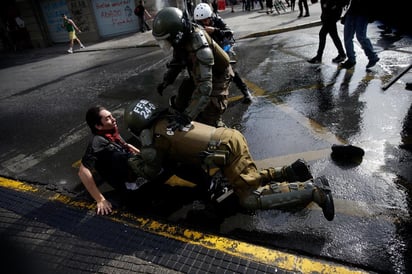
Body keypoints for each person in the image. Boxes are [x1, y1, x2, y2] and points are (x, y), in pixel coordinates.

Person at [123, 99, 336, 221]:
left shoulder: (152, 139)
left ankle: (314, 190)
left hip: (223, 151)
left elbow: (151, 171)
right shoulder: (166, 118)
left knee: (249, 198)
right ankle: (289, 171)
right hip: (226, 139)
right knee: (243, 177)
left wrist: (133, 160)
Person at [153, 7, 233, 127]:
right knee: (182, 96)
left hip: (218, 75)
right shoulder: (181, 39)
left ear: (176, 33)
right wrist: (167, 80)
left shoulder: (198, 42)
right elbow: (177, 62)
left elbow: (205, 86)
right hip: (201, 72)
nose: (165, 44)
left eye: (166, 39)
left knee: (211, 113)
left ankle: (221, 136)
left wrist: (187, 116)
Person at [78, 106, 141, 215]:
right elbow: (82, 172)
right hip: (121, 178)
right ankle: (130, 185)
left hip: (128, 167)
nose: (113, 119)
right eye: (108, 118)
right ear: (98, 126)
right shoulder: (97, 142)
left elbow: (125, 146)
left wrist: (140, 155)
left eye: (111, 116)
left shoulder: (110, 131)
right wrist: (100, 199)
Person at [193, 3, 253, 104]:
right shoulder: (196, 25)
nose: (205, 23)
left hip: (222, 46)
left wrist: (215, 31)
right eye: (202, 21)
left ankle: (245, 91)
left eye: (206, 20)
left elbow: (229, 33)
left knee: (229, 69)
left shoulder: (217, 20)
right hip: (206, 49)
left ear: (211, 17)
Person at [340, 0, 380, 69]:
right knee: (347, 37)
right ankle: (351, 60)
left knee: (360, 36)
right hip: (352, 12)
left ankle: (372, 57)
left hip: (363, 12)